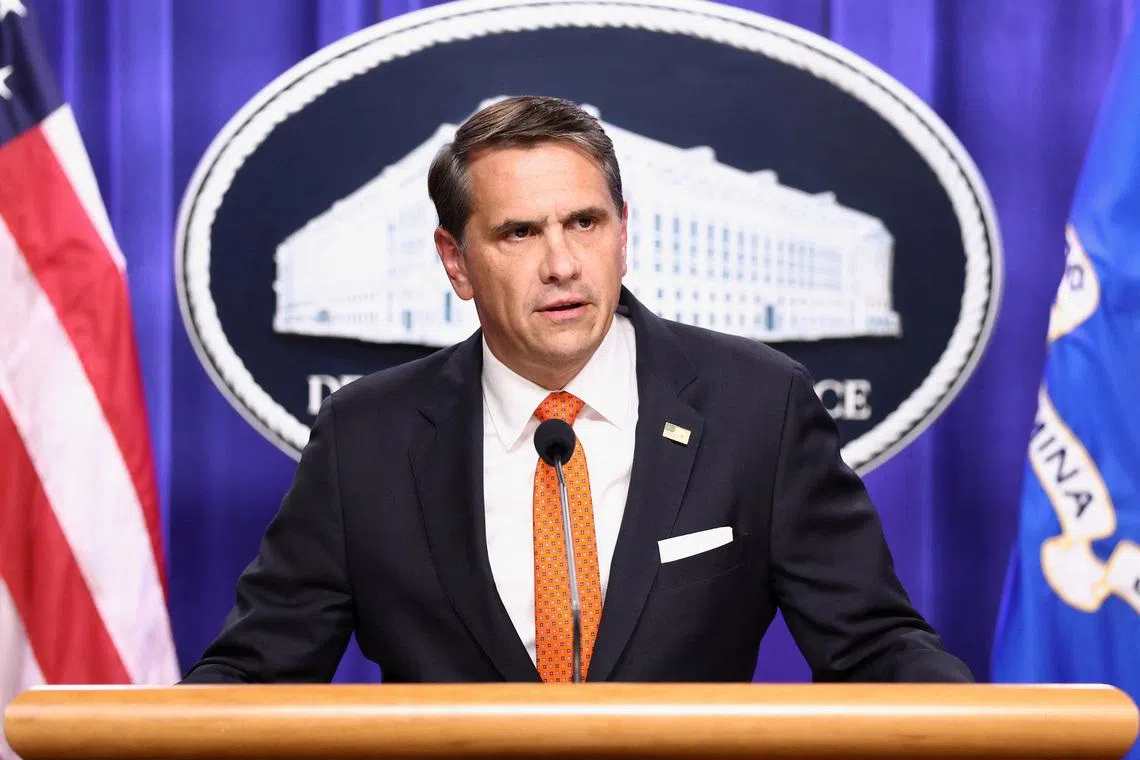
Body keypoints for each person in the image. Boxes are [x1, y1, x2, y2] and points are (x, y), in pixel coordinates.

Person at [181, 95, 972, 684]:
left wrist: (986, 725)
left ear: (623, 232)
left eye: (585, 224)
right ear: (456, 262)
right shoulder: (368, 437)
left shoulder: (757, 406)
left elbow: (872, 645)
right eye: (520, 233)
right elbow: (258, 673)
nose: (562, 264)